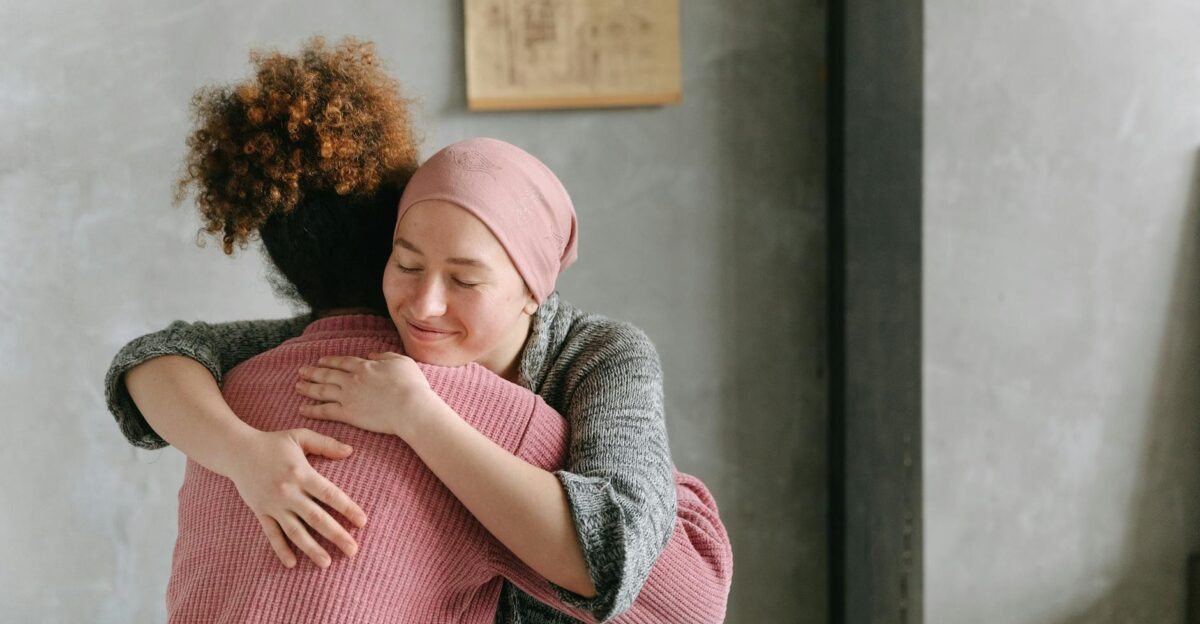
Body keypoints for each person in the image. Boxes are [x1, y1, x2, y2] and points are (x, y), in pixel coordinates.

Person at [106, 37, 731, 623]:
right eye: (405, 264)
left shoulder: (599, 356)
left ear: (532, 291)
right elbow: (157, 357)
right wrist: (246, 455)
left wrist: (419, 416)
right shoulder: (372, 337)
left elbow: (628, 559)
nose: (424, 305)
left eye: (465, 281)